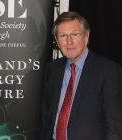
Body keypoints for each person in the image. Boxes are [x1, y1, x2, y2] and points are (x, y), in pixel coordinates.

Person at [41, 11, 122, 140]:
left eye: (74, 34)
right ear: (57, 40)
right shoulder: (51, 70)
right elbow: (46, 118)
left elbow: (114, 126)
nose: (69, 41)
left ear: (86, 37)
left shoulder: (108, 70)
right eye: (63, 36)